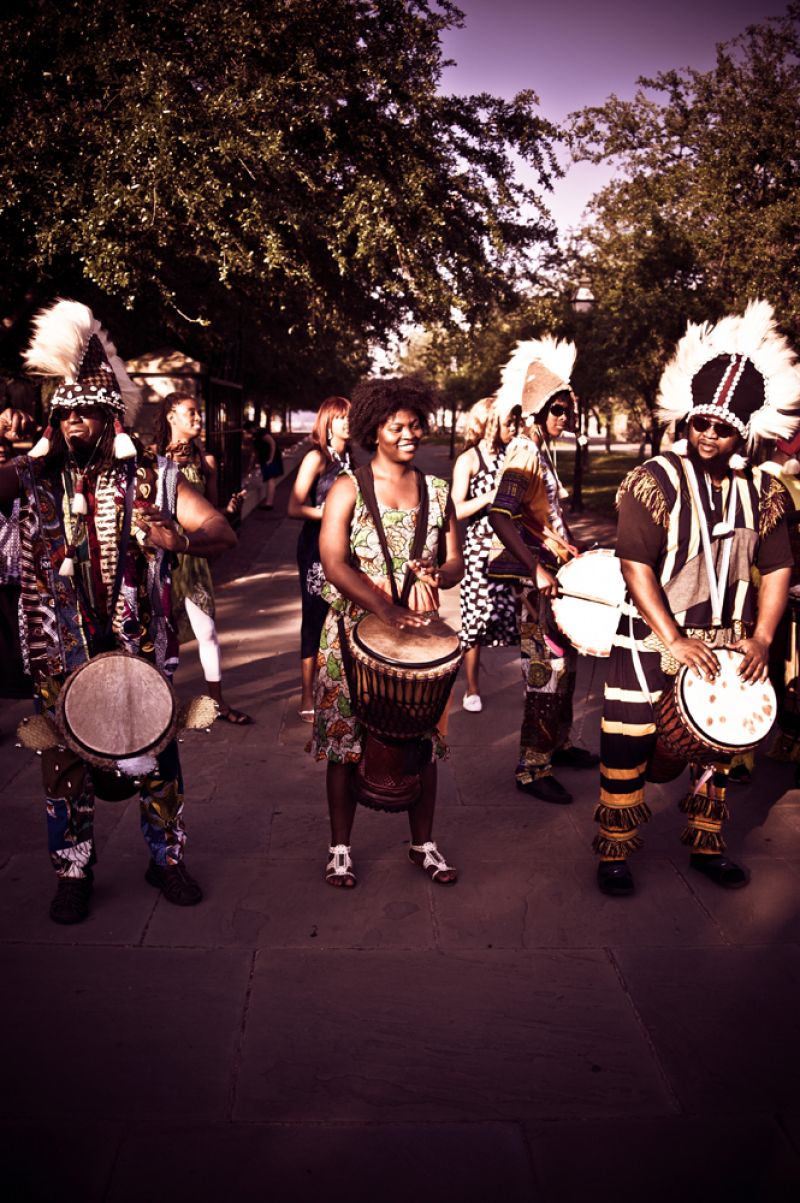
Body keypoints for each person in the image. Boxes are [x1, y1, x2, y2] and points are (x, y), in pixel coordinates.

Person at [0, 299, 236, 923]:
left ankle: (167, 860)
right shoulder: (34, 478)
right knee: (63, 766)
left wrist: (179, 540)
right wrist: (32, 454)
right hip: (59, 651)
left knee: (157, 759)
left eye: (88, 416)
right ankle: (72, 870)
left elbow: (221, 529)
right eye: (67, 415)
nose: (76, 426)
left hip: (139, 652)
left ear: (112, 421)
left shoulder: (154, 478)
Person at [595, 300, 798, 896]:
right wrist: (674, 638)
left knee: (722, 745)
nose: (708, 435)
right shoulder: (653, 480)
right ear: (686, 420)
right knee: (627, 739)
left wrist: (760, 638)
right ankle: (614, 849)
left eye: (723, 427)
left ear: (744, 432)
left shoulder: (763, 490)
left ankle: (708, 844)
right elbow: (635, 566)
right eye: (700, 423)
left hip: (728, 639)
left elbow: (779, 567)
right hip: (651, 634)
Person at [310, 377, 463, 888]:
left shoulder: (438, 492)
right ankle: (339, 849)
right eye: (397, 426)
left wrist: (435, 576)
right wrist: (384, 608)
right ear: (374, 430)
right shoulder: (348, 487)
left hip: (419, 640)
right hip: (352, 637)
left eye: (415, 425)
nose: (408, 434)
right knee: (343, 744)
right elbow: (333, 562)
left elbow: (455, 563)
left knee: (425, 743)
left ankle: (424, 845)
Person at [488, 337, 600, 804]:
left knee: (564, 664)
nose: (564, 418)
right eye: (557, 410)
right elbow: (500, 513)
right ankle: (532, 768)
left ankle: (559, 743)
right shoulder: (524, 453)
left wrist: (569, 546)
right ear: (535, 413)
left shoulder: (540, 452)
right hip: (537, 584)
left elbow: (542, 516)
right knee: (545, 669)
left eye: (567, 410)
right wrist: (536, 569)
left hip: (555, 576)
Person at [155, 392, 251, 724]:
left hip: (193, 561)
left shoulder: (205, 460)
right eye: (191, 413)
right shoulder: (152, 460)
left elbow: (212, 511)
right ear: (171, 416)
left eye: (199, 413)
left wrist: (228, 510)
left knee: (206, 631)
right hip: (161, 559)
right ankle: (160, 707)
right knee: (163, 636)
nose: (198, 419)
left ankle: (219, 704)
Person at [451, 396, 518, 712]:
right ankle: (472, 688)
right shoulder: (469, 460)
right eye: (508, 422)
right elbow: (454, 509)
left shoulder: (514, 454)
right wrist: (489, 497)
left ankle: (536, 682)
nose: (514, 427)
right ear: (490, 423)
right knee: (475, 620)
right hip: (480, 551)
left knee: (516, 617)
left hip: (512, 547)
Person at [287, 395, 352, 720]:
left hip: (347, 547)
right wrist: (326, 513)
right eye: (340, 417)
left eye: (350, 416)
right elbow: (293, 506)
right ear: (327, 422)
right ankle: (305, 694)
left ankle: (338, 688)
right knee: (314, 615)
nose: (347, 422)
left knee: (344, 616)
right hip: (315, 548)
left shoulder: (353, 458)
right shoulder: (317, 457)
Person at [255, 415, 283, 510]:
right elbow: (254, 452)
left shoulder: (262, 433)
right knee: (270, 480)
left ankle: (269, 503)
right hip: (267, 459)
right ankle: (269, 502)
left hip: (270, 459)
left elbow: (272, 443)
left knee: (271, 479)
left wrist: (270, 459)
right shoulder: (258, 435)